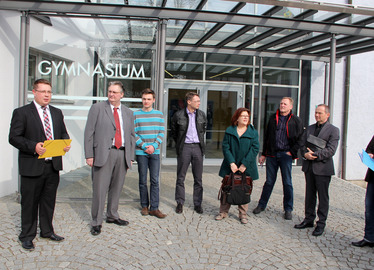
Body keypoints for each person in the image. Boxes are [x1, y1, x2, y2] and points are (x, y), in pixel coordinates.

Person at [9, 79, 71, 250]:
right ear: (34, 92)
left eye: (49, 92)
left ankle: (47, 231)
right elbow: (13, 137)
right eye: (43, 91)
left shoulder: (57, 113)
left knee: (48, 201)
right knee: (29, 203)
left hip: (52, 166)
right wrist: (33, 147)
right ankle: (27, 236)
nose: (46, 95)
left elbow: (63, 132)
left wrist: (65, 142)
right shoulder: (22, 113)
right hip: (32, 165)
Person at [84, 81, 135, 236]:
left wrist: (130, 156)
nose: (111, 94)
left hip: (122, 153)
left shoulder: (128, 112)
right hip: (103, 154)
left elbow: (132, 136)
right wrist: (89, 154)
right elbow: (89, 133)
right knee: (100, 189)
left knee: (116, 187)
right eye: (109, 91)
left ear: (122, 95)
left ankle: (112, 215)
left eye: (114, 92)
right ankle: (96, 221)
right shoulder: (97, 108)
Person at [253, 97, 304, 220]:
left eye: (285, 104)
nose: (282, 105)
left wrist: (291, 152)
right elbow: (267, 137)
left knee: (287, 182)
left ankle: (288, 209)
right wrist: (264, 154)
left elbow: (301, 139)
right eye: (281, 103)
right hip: (272, 155)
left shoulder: (296, 120)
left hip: (286, 156)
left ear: (291, 106)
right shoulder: (272, 118)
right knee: (269, 182)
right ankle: (261, 205)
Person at [294, 104, 340, 236]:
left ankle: (321, 223)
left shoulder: (333, 130)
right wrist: (304, 155)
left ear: (327, 115)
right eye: (315, 113)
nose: (317, 115)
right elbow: (301, 145)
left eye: (320, 113)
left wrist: (314, 155)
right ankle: (308, 219)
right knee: (309, 195)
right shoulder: (309, 128)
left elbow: (331, 150)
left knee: (323, 197)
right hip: (309, 168)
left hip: (323, 169)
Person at [215, 108, 259, 224]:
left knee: (244, 189)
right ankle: (223, 212)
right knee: (227, 187)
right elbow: (226, 147)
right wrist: (231, 163)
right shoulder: (230, 130)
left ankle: (243, 214)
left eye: (247, 116)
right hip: (230, 165)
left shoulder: (253, 132)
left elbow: (255, 149)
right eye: (243, 116)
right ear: (237, 118)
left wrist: (244, 164)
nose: (245, 118)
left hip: (247, 166)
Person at [171, 92, 207, 214]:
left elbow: (203, 130)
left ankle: (198, 204)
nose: (199, 103)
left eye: (199, 100)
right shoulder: (178, 115)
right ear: (189, 102)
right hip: (184, 147)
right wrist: (180, 144)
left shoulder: (202, 115)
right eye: (196, 101)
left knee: (198, 178)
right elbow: (174, 132)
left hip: (197, 147)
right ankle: (180, 202)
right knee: (181, 177)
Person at [134, 88, 166, 219]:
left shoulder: (159, 115)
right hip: (141, 152)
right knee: (142, 180)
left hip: (155, 152)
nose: (146, 101)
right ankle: (144, 206)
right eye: (144, 99)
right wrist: (143, 145)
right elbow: (133, 133)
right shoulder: (135, 114)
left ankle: (155, 208)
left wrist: (153, 146)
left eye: (148, 99)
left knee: (155, 180)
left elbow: (161, 133)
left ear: (153, 100)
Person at [352, 135, 374, 247]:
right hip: (373, 177)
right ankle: (369, 238)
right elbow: (369, 148)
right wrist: (370, 154)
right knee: (369, 209)